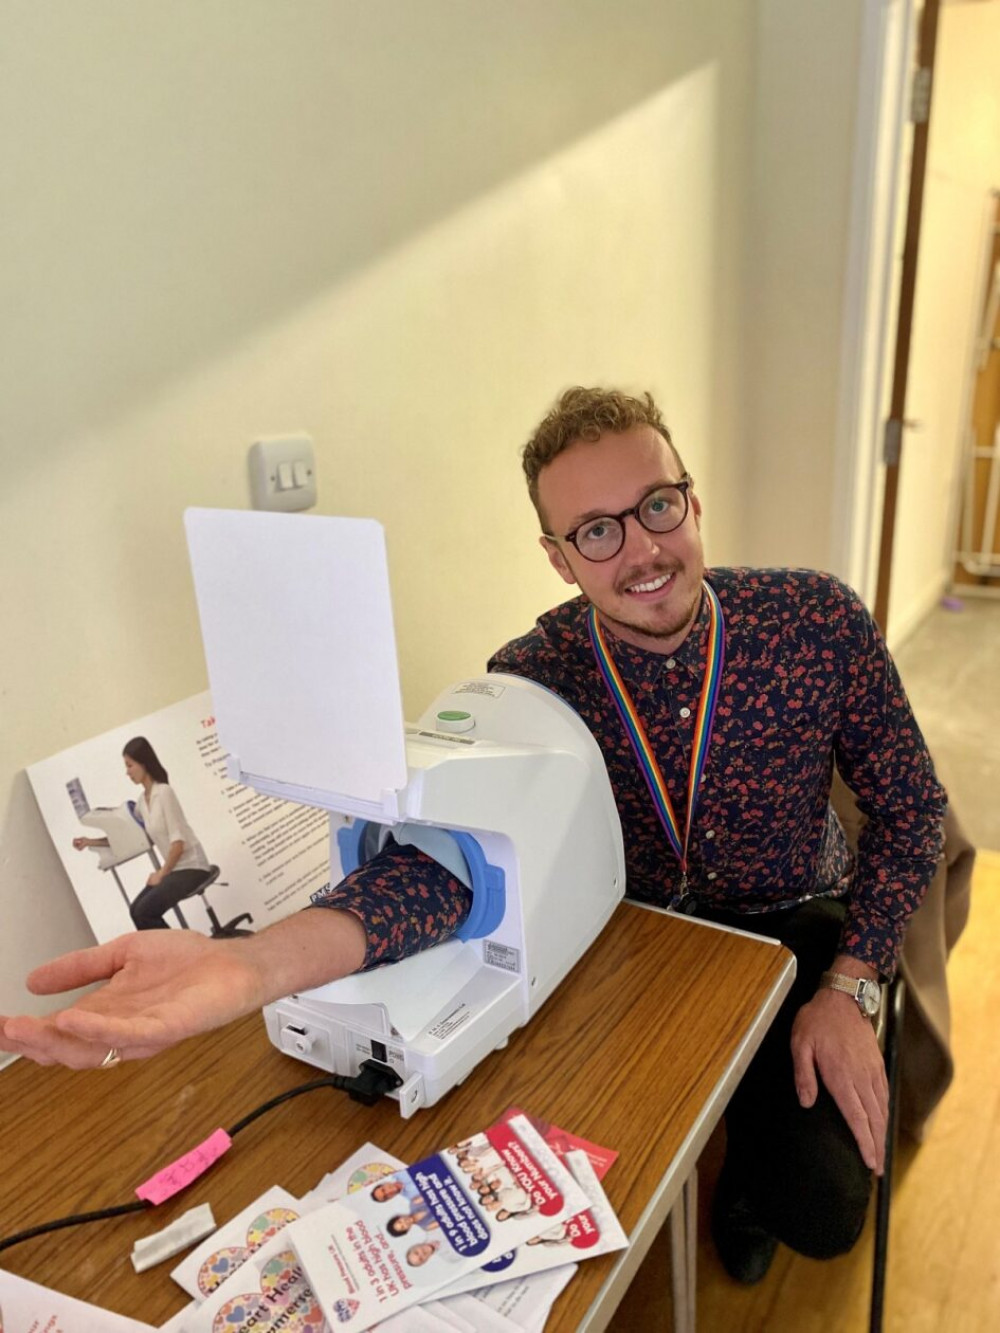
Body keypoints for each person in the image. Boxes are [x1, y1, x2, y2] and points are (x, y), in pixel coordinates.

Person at [0, 387, 945, 1284]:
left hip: (795, 922)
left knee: (819, 1212)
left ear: (692, 502)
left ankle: (744, 1182)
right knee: (526, 1136)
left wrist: (852, 981)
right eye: (598, 532)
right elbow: (447, 865)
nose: (642, 549)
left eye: (658, 506)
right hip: (621, 935)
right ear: (559, 557)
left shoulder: (816, 619)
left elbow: (911, 808)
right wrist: (257, 964)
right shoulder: (529, 677)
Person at [73, 737, 213, 931]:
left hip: (192, 867)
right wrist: (90, 842)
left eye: (130, 766)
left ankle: (181, 955)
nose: (127, 772)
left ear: (144, 763)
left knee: (145, 912)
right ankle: (169, 956)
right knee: (135, 910)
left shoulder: (164, 793)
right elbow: (127, 837)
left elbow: (178, 844)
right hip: (175, 870)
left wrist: (161, 874)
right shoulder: (141, 802)